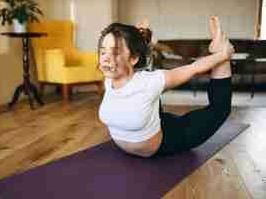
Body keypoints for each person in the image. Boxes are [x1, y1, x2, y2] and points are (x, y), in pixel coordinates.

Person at [98, 16, 234, 158]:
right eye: (103, 52)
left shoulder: (150, 82)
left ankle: (221, 49)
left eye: (115, 52)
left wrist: (223, 55)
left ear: (133, 58)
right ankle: (145, 42)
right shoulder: (109, 80)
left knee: (220, 109)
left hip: (170, 138)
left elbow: (193, 68)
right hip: (154, 118)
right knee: (146, 93)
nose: (105, 58)